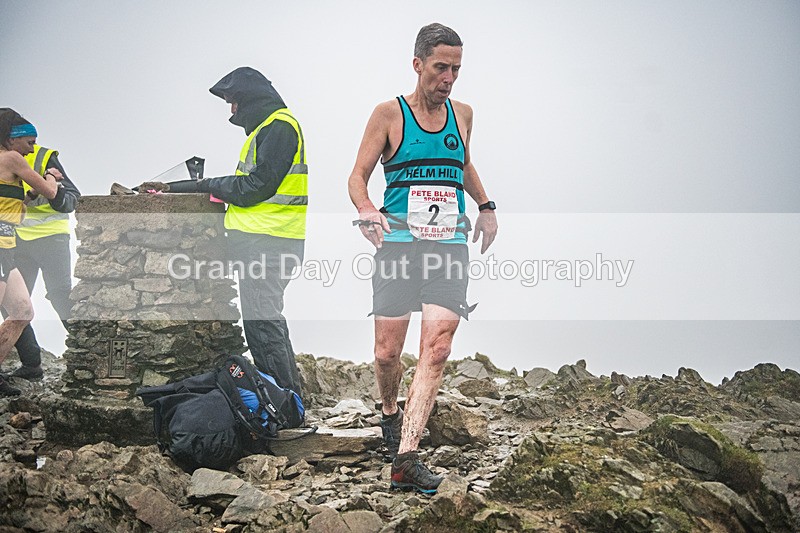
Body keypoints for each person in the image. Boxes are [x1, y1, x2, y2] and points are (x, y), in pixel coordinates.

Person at [347, 23, 498, 494]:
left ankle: (406, 458)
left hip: (448, 245)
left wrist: (486, 207)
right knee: (386, 352)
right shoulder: (388, 114)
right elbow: (357, 176)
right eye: (440, 68)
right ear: (417, 65)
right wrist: (367, 209)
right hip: (397, 247)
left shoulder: (464, 115)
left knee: (437, 348)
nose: (449, 78)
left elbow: (464, 163)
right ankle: (390, 414)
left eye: (456, 69)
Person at [161, 67, 307, 397]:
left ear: (249, 99)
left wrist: (208, 185)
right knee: (267, 322)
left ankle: (283, 405)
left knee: (263, 326)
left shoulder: (279, 128)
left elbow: (254, 187)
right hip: (268, 240)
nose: (232, 111)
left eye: (233, 102)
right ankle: (289, 399)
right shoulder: (271, 128)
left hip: (267, 242)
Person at [7, 135, 81, 380]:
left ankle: (85, 352)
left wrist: (53, 192)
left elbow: (71, 197)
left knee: (60, 294)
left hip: (51, 237)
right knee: (14, 303)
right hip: (16, 240)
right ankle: (31, 365)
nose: (29, 147)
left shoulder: (43, 156)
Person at [0, 109, 61, 396]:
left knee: (22, 311)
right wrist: (51, 177)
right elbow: (51, 192)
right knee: (19, 311)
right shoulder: (11, 158)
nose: (32, 148)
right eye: (28, 141)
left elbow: (16, 209)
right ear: (11, 139)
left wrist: (29, 196)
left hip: (7, 247)